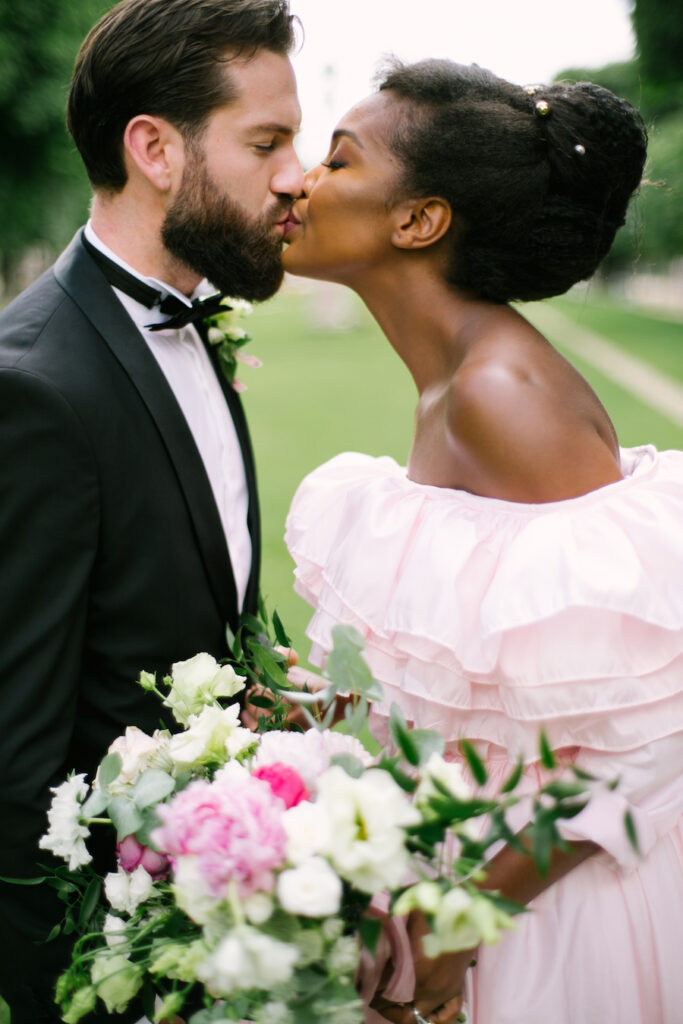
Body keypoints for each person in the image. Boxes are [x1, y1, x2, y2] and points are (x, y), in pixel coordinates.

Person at [282, 60, 683, 1024]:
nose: (296, 181)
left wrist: (466, 918)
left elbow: (654, 726)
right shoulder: (453, 384)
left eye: (336, 161)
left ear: (418, 220)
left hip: (549, 919)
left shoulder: (496, 395)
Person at [0, 1, 303, 1020]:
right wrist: (77, 997)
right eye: (265, 142)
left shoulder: (194, 323)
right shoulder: (33, 385)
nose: (294, 175)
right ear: (154, 150)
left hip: (220, 940)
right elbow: (13, 761)